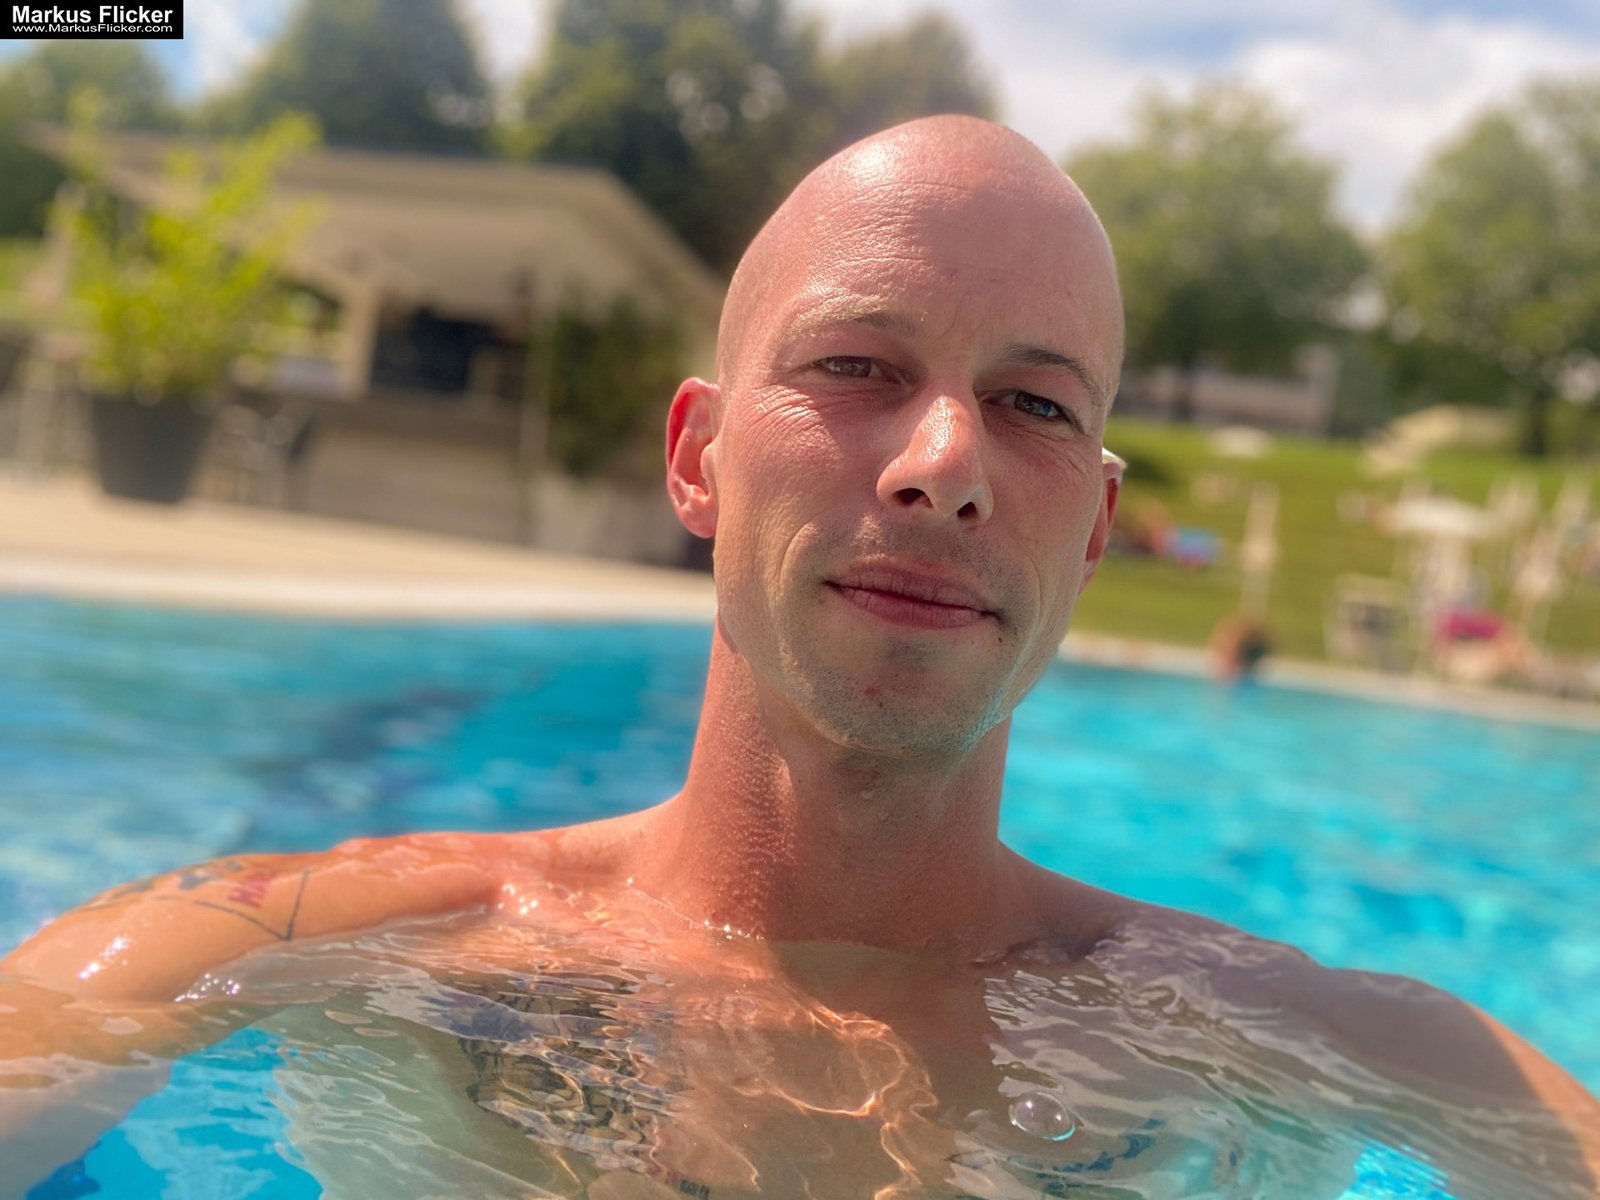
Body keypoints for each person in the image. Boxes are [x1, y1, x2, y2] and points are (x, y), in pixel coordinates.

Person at [4, 116, 1596, 1197]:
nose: (945, 463)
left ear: (1096, 525)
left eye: (1035, 404)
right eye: (856, 364)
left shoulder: (1278, 1044)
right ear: (697, 459)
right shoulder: (377, 959)